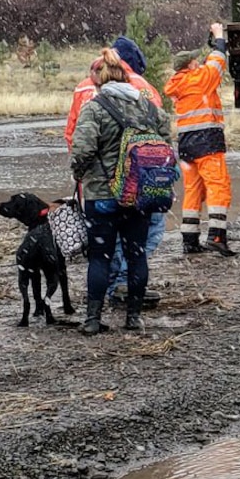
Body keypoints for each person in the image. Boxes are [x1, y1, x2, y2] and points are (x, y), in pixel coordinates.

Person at [70, 48, 171, 334]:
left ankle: (92, 319)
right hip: (138, 195)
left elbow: (82, 151)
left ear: (99, 81)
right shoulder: (149, 107)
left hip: (102, 197)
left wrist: (79, 175)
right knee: (136, 255)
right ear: (127, 78)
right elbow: (164, 143)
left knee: (100, 257)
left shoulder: (94, 107)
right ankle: (133, 318)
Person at [164, 22, 235, 257]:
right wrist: (218, 35)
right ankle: (217, 236)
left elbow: (209, 65)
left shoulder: (180, 83)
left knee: (192, 190)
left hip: (186, 144)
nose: (198, 61)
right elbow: (217, 61)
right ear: (191, 65)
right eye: (195, 60)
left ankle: (190, 240)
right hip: (207, 141)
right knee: (218, 186)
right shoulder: (201, 79)